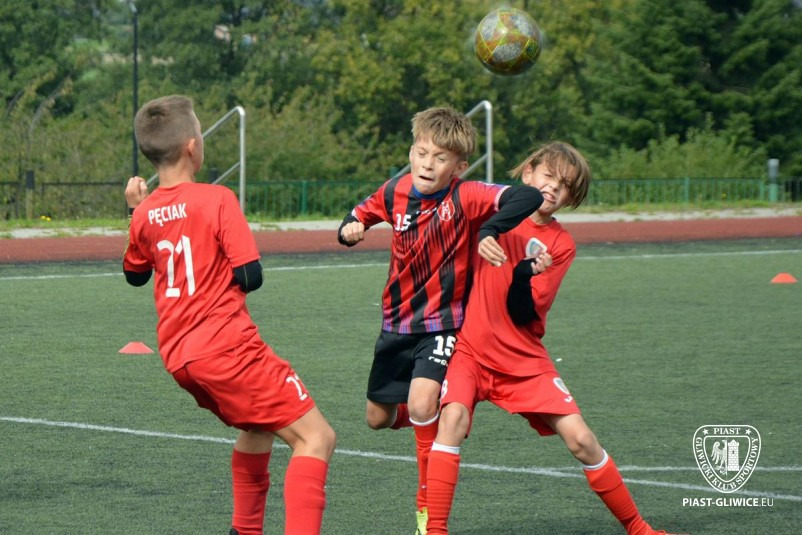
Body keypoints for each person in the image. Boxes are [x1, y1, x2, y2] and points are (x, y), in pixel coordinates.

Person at [425, 142, 684, 535]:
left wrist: (522, 275)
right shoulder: (488, 212)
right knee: (452, 420)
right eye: (548, 176)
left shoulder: (560, 245)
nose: (553, 188)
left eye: (564, 186)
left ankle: (639, 529)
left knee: (581, 440)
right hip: (471, 351)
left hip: (523, 359)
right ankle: (435, 531)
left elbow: (523, 313)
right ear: (529, 172)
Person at [122, 95, 336, 535]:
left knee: (258, 427)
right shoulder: (217, 198)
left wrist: (135, 210)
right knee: (317, 438)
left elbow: (135, 275)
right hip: (226, 348)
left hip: (181, 358)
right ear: (192, 147)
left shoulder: (143, 214)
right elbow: (250, 275)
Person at [337, 106, 543, 534]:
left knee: (419, 403)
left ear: (459, 167)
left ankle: (426, 507)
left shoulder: (466, 195)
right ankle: (434, 413)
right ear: (411, 152)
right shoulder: (394, 191)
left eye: (440, 158)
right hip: (395, 323)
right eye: (421, 153)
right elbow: (357, 215)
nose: (428, 164)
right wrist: (350, 228)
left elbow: (528, 197)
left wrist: (489, 230)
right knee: (377, 418)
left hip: (443, 325)